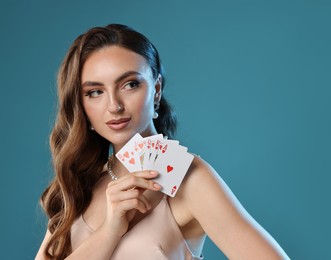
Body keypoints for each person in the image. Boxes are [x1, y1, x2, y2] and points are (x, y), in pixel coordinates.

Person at [36, 24, 289, 260]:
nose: (114, 106)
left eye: (130, 84)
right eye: (95, 92)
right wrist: (110, 231)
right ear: (81, 105)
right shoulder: (80, 183)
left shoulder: (189, 179)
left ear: (156, 90)